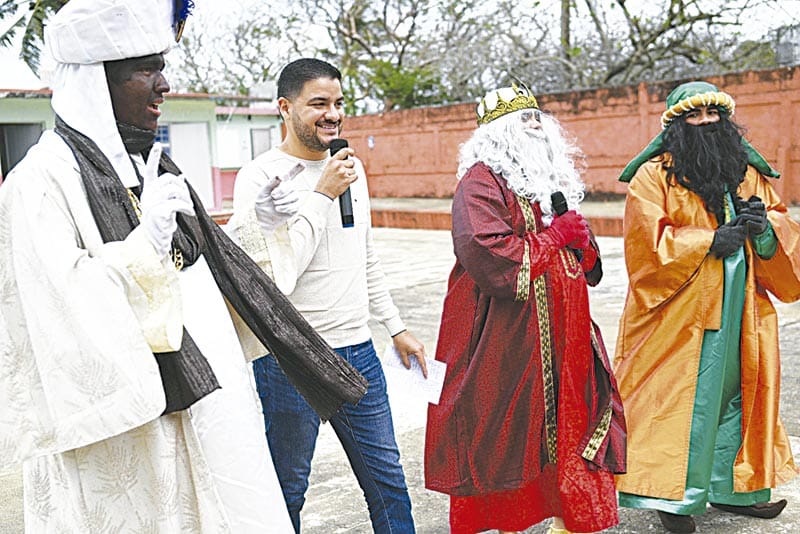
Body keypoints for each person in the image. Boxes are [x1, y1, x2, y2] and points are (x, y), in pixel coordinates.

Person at [0, 1, 367, 532]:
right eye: (146, 69)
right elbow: (49, 316)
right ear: (96, 81)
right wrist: (139, 254)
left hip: (214, 412)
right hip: (136, 437)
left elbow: (197, 275)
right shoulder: (40, 182)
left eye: (162, 67)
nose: (165, 84)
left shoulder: (150, 165)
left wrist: (259, 228)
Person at [227, 57, 426, 533]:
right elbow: (274, 279)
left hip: (358, 351)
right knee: (288, 489)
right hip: (290, 357)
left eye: (338, 103)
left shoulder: (351, 169)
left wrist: (395, 326)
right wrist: (321, 195)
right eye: (318, 103)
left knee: (388, 482)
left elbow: (365, 254)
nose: (332, 114)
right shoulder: (260, 178)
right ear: (285, 107)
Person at [424, 84, 626, 534]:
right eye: (523, 120)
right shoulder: (481, 181)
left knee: (575, 421)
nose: (535, 126)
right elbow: (485, 250)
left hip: (569, 333)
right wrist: (556, 237)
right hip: (509, 336)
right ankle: (506, 521)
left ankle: (568, 520)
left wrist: (581, 245)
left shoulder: (550, 180)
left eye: (538, 117)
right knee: (506, 429)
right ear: (497, 133)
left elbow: (582, 255)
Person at [615, 81, 800, 533]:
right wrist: (709, 241)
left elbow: (780, 222)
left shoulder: (745, 170)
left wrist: (763, 229)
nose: (705, 123)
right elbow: (645, 247)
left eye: (713, 114)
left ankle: (735, 489)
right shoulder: (653, 176)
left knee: (740, 393)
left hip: (743, 306)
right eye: (694, 116)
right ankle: (672, 497)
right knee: (683, 399)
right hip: (679, 310)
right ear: (676, 125)